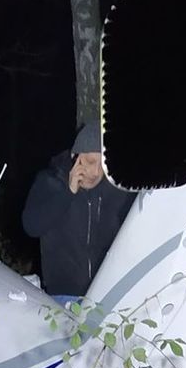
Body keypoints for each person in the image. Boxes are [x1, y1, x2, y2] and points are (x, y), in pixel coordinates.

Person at [20, 122, 134, 304]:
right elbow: (31, 226)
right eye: (89, 162)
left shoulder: (117, 192)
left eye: (102, 164)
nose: (95, 172)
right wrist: (68, 193)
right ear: (75, 156)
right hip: (63, 297)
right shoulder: (51, 182)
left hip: (106, 297)